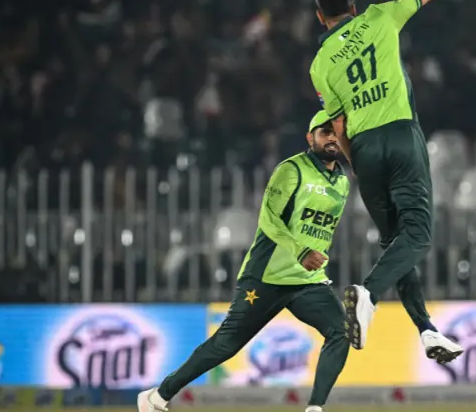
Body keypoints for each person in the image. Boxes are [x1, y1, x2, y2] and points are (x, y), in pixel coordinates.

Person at [309, 0, 476, 362]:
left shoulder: (320, 64)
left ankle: (426, 331)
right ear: (352, 8)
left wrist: (357, 164)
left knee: (397, 244)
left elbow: (337, 126)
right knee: (419, 233)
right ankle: (367, 293)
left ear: (321, 17)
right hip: (401, 136)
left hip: (366, 150)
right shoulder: (379, 17)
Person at [138, 111, 350, 412]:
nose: (331, 137)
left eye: (336, 132)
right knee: (226, 345)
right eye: (323, 132)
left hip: (306, 281)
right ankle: (157, 396)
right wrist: (301, 251)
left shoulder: (342, 181)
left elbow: (320, 230)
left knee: (340, 332)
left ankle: (315, 408)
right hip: (266, 277)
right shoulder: (292, 170)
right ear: (309, 137)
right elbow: (268, 219)